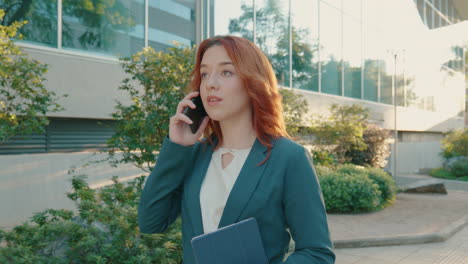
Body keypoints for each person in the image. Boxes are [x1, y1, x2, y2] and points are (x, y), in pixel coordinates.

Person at [138, 35, 335, 264]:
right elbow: (150, 223)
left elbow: (316, 253)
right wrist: (177, 147)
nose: (211, 83)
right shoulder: (194, 155)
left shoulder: (289, 157)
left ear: (253, 82)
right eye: (204, 74)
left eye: (226, 72)